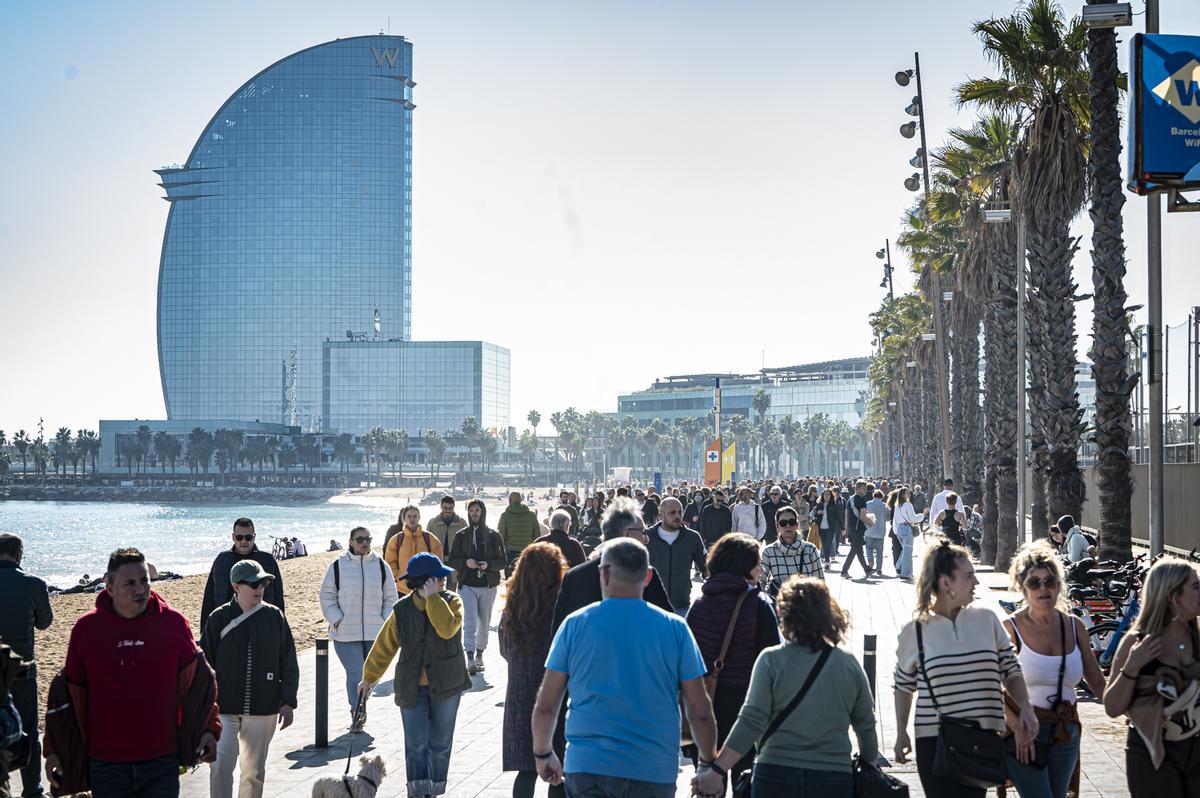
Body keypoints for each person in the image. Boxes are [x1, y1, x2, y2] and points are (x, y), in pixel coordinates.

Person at [531, 538, 718, 797]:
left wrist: (543, 753)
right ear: (649, 576)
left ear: (603, 573)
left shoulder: (574, 625)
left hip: (588, 767)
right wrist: (708, 763)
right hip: (653, 769)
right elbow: (700, 710)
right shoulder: (675, 628)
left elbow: (547, 705)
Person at [48, 548, 218, 798]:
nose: (140, 589)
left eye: (144, 581)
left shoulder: (173, 624)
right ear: (109, 586)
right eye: (129, 583)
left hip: (162, 760)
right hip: (105, 764)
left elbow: (200, 683)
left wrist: (209, 729)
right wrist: (54, 749)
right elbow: (67, 695)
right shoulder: (86, 629)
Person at [692, 576, 878, 798]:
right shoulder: (848, 664)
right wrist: (870, 765)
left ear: (782, 614)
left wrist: (717, 769)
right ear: (829, 615)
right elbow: (865, 724)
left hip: (775, 774)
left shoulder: (771, 660)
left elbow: (751, 720)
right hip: (832, 775)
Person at [893, 540, 1039, 798]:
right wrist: (901, 732)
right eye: (969, 576)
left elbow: (1011, 669)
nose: (976, 582)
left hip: (981, 738)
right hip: (934, 741)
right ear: (945, 582)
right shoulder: (915, 630)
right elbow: (903, 687)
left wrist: (1026, 706)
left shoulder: (987, 619)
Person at [358, 553, 472, 798]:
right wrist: (368, 678)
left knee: (440, 745)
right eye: (439, 576)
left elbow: (447, 629)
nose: (444, 579)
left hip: (447, 685)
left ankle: (435, 790)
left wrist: (433, 599)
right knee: (416, 745)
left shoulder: (453, 602)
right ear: (424, 581)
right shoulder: (402, 609)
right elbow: (384, 646)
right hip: (412, 687)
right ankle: (419, 793)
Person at [1002, 542, 1106, 798]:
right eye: (1034, 583)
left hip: (1065, 730)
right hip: (1025, 731)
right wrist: (1016, 726)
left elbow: (1098, 682)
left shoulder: (1074, 626)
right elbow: (989, 686)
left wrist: (1134, 708)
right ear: (1021, 586)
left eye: (1050, 581)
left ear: (1059, 585)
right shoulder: (1010, 629)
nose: (1043, 588)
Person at [686, 534, 782, 785]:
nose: (762, 569)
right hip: (746, 705)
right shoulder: (759, 604)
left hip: (705, 703)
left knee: (708, 777)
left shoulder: (699, 603)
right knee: (744, 778)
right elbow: (772, 659)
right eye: (758, 563)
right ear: (744, 566)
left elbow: (686, 656)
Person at [201, 560, 299, 798]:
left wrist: (287, 701)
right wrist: (203, 708)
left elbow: (288, 662)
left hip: (263, 707)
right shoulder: (219, 618)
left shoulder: (274, 617)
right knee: (221, 765)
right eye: (253, 583)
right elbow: (203, 665)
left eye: (264, 582)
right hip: (223, 706)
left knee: (253, 771)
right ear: (236, 586)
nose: (260, 588)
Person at [1103, 558, 1200, 797]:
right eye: (1196, 587)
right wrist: (1133, 666)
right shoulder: (1136, 642)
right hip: (1150, 752)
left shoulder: (1197, 639)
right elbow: (1112, 707)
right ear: (1171, 595)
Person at [499, 544, 569, 798]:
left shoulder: (511, 610)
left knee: (526, 771)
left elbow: (504, 652)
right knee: (557, 770)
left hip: (519, 695)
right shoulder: (560, 609)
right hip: (554, 693)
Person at [319, 526, 398, 729]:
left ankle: (361, 704)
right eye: (360, 539)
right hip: (345, 634)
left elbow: (391, 597)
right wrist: (337, 619)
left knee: (373, 676)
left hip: (375, 632)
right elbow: (327, 596)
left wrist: (384, 620)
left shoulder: (381, 566)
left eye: (368, 539)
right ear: (351, 541)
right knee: (356, 672)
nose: (365, 543)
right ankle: (357, 710)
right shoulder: (337, 566)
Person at [0, 534, 51, 798]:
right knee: (29, 731)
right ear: (19, 554)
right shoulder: (34, 585)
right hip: (22, 672)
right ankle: (32, 790)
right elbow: (44, 622)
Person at [447, 499, 507, 675]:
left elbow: (503, 561)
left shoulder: (494, 535)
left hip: (488, 585)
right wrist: (466, 562)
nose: (475, 513)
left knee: (484, 622)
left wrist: (488, 565)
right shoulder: (461, 535)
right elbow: (453, 560)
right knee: (470, 621)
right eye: (472, 510)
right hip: (467, 585)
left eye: (477, 510)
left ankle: (481, 653)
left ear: (483, 512)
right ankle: (470, 657)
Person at [199, 518, 284, 633]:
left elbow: (278, 597)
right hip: (227, 624)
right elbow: (209, 598)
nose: (244, 541)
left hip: (261, 624)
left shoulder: (267, 560)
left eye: (248, 537)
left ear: (254, 537)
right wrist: (204, 631)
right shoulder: (221, 560)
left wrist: (280, 629)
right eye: (239, 537)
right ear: (233, 537)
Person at [645, 497, 708, 616]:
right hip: (652, 607)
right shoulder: (647, 537)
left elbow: (707, 568)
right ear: (660, 514)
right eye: (672, 512)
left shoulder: (693, 537)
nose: (677, 516)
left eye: (680, 512)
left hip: (681, 606)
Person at [760, 506, 823, 594]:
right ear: (777, 526)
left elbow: (820, 581)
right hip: (780, 605)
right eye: (783, 523)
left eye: (792, 522)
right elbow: (761, 580)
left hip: (807, 604)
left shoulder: (810, 549)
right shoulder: (769, 551)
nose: (788, 526)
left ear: (797, 525)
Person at [385, 504, 443, 595]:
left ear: (419, 518)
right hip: (402, 589)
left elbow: (438, 561)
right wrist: (397, 577)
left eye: (415, 516)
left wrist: (431, 579)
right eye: (409, 516)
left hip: (425, 587)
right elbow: (390, 562)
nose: (412, 519)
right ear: (404, 518)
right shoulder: (396, 540)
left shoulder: (430, 538)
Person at [427, 496, 467, 589]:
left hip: (455, 561)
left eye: (450, 508)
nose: (448, 510)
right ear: (441, 506)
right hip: (437, 560)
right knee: (437, 588)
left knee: (452, 589)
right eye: (445, 508)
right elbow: (427, 543)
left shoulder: (461, 523)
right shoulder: (433, 523)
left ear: (454, 507)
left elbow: (466, 543)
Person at [498, 491, 540, 570]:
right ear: (521, 500)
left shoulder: (505, 516)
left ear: (509, 501)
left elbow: (501, 536)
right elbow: (537, 535)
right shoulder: (531, 515)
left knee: (511, 578)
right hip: (527, 551)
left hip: (510, 552)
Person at [840, 481, 873, 580]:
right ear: (857, 488)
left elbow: (846, 516)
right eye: (863, 488)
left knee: (858, 550)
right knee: (854, 550)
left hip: (851, 528)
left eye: (865, 488)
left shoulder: (850, 499)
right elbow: (863, 516)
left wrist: (846, 529)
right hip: (859, 528)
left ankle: (867, 569)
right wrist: (871, 523)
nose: (865, 490)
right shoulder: (862, 500)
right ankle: (844, 570)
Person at [888, 487, 923, 580]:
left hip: (899, 528)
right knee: (908, 551)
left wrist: (896, 531)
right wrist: (922, 516)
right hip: (906, 529)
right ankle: (906, 573)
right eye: (907, 493)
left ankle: (899, 565)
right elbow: (913, 518)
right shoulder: (908, 505)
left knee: (905, 550)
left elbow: (895, 519)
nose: (909, 495)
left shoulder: (897, 505)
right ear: (903, 495)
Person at [811, 488, 840, 567]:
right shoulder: (819, 504)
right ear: (822, 496)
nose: (826, 496)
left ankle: (827, 561)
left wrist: (843, 528)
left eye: (828, 494)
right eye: (825, 494)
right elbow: (814, 515)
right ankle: (827, 559)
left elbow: (838, 517)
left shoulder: (833, 505)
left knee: (828, 544)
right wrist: (818, 513)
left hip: (831, 528)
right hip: (821, 527)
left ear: (831, 496)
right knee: (824, 544)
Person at [864, 489, 890, 577]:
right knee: (879, 551)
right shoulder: (885, 506)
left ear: (873, 495)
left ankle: (870, 562)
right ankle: (879, 568)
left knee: (869, 548)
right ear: (882, 496)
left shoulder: (867, 504)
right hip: (880, 531)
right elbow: (888, 518)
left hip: (869, 530)